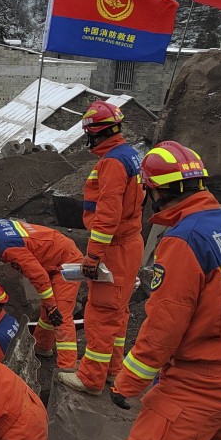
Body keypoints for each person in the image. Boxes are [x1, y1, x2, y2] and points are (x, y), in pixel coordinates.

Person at [107, 142, 221, 440]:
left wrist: (127, 382)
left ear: (155, 192)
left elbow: (164, 326)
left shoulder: (184, 240)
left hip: (199, 384)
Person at [58, 101, 144, 396]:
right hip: (130, 244)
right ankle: (112, 370)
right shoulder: (130, 155)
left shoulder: (111, 163)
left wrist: (93, 255)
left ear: (95, 132)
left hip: (115, 248)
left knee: (100, 313)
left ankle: (91, 378)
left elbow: (108, 215)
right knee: (118, 313)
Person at [0, 220, 80, 371]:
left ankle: (67, 368)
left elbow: (38, 276)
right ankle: (42, 346)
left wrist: (52, 306)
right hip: (55, 253)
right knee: (48, 309)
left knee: (60, 314)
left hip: (66, 262)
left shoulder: (8, 249)